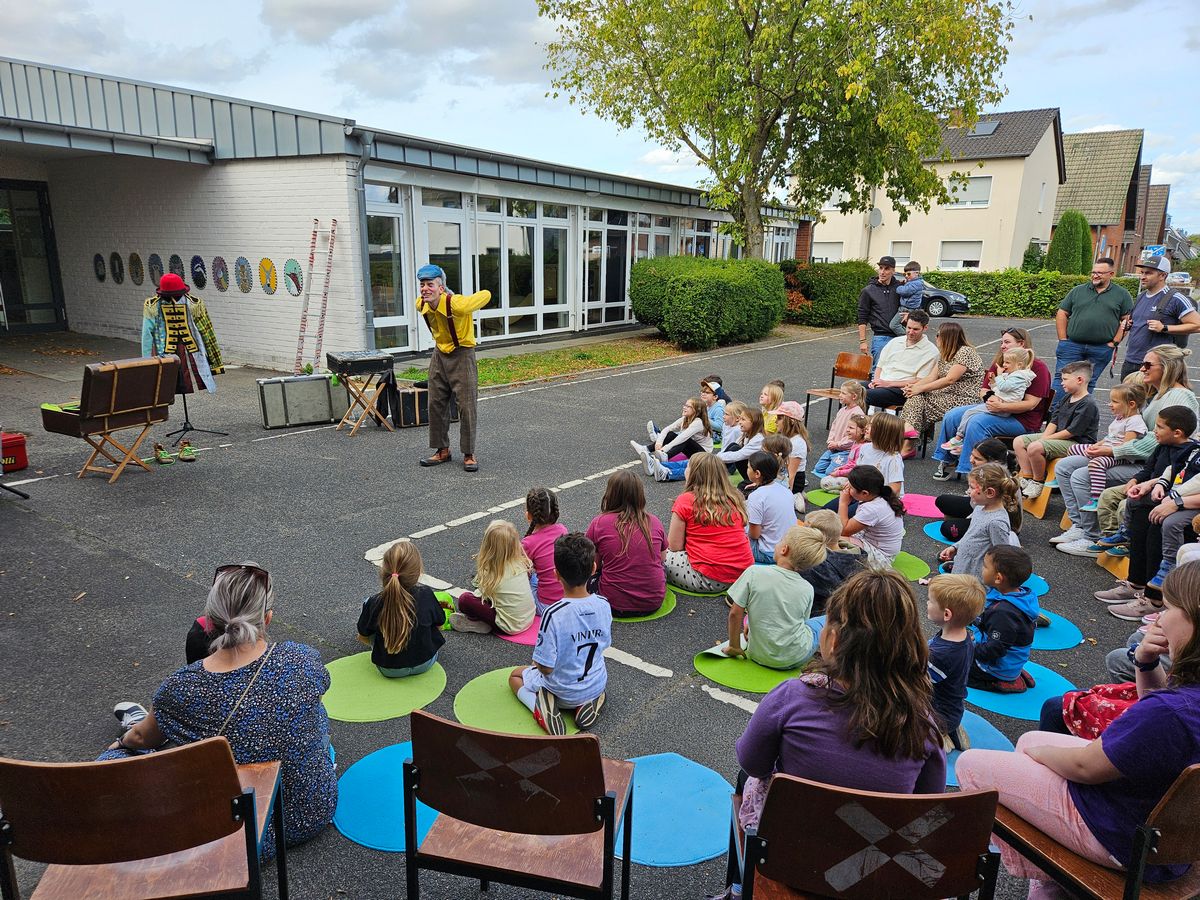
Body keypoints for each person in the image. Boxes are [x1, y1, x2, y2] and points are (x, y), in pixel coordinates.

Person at [957, 562, 1200, 892]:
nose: (1158, 618)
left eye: (1168, 609)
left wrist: (1043, 755)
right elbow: (1154, 715)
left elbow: (1086, 768)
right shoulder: (1182, 703)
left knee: (971, 763)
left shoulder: (1170, 712)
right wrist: (1146, 662)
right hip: (1165, 833)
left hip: (1121, 835)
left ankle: (1050, 878)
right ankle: (1052, 883)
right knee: (1029, 739)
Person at [103, 563, 336, 856]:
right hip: (311, 811)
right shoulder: (302, 659)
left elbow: (140, 739)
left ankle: (156, 724)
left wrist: (122, 744)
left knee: (118, 758)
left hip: (237, 831)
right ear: (267, 618)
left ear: (209, 622)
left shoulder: (181, 688)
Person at [730, 569, 946, 841]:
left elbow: (752, 763)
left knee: (747, 778)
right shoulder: (923, 726)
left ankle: (743, 870)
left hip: (788, 850)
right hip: (874, 860)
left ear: (833, 641)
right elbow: (927, 805)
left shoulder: (791, 697)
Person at [1056, 344, 1198, 557]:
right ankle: (1080, 525)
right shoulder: (1162, 394)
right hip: (1140, 460)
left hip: (1157, 469)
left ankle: (1092, 535)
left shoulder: (1179, 397)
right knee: (1066, 466)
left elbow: (1154, 441)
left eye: (1148, 364)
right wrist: (1106, 446)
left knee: (1081, 476)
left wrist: (1113, 451)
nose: (1142, 369)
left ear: (1167, 367)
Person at [1094, 406, 1200, 622]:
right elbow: (1174, 472)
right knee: (1142, 512)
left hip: (1186, 504)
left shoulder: (1188, 447)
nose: (1154, 430)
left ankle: (1155, 600)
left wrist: (1176, 502)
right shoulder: (1190, 450)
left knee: (1160, 521)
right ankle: (1136, 583)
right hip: (1178, 496)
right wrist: (1152, 484)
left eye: (1159, 427)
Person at [509, 533, 611, 735]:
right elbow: (604, 644)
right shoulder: (603, 605)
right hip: (595, 682)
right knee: (592, 678)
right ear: (593, 568)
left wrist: (536, 665)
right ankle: (590, 700)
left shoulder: (554, 613)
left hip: (560, 691)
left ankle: (539, 707)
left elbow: (546, 668)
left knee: (515, 676)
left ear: (556, 574)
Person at [932, 327, 1052, 481]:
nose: (1002, 346)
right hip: (995, 408)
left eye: (1007, 342)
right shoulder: (1002, 362)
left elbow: (1031, 404)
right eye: (1002, 342)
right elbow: (984, 389)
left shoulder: (1038, 368)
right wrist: (991, 398)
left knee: (977, 422)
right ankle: (949, 460)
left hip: (1022, 419)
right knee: (952, 415)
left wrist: (1001, 406)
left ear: (1021, 343)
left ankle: (974, 473)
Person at [415, 263, 491, 472]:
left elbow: (486, 294)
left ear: (441, 288)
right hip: (439, 353)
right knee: (435, 402)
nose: (425, 289)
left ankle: (469, 453)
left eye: (430, 284)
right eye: (422, 284)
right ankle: (442, 450)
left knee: (466, 406)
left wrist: (466, 303)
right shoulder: (421, 304)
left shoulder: (457, 304)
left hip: (462, 353)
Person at [722, 525, 827, 669]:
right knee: (828, 619)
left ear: (784, 549)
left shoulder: (753, 573)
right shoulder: (807, 588)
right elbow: (801, 623)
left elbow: (735, 613)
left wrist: (734, 646)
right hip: (794, 659)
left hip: (757, 654)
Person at [665, 452, 754, 593]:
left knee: (658, 553)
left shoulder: (686, 500)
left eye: (688, 466)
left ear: (693, 473)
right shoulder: (734, 497)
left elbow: (674, 546)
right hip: (743, 575)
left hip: (709, 577)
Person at [1051, 257, 1133, 405]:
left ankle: (1078, 414)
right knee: (1062, 379)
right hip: (1071, 345)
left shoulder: (1122, 294)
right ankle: (1054, 413)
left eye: (1100, 273)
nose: (1095, 275)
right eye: (1093, 272)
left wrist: (1114, 342)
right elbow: (1062, 313)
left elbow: (1126, 320)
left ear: (1111, 274)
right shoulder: (1078, 291)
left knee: (1088, 382)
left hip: (1101, 349)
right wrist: (1063, 339)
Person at [585, 471, 668, 617]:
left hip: (613, 604)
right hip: (652, 602)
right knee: (662, 568)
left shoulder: (599, 523)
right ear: (640, 495)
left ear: (610, 495)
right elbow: (662, 558)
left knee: (584, 578)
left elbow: (593, 565)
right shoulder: (654, 521)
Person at [1015, 360, 1101, 499]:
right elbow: (1054, 420)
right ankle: (1027, 477)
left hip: (1077, 444)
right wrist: (1044, 437)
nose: (1061, 383)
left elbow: (1071, 432)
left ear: (1079, 380)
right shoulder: (1067, 397)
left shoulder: (1087, 404)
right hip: (1060, 438)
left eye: (1065, 379)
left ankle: (1038, 482)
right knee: (1019, 441)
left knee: (1035, 447)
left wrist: (1044, 440)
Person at [356, 541, 445, 675]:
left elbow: (363, 636)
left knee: (368, 605)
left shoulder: (375, 602)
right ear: (418, 572)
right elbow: (440, 625)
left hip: (388, 669)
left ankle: (390, 646)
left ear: (384, 571)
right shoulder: (426, 594)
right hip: (425, 663)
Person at [1061, 383, 1148, 509]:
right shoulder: (1120, 417)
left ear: (1131, 404)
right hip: (1108, 448)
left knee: (1096, 464)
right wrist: (1096, 446)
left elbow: (1126, 446)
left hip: (1118, 456)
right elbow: (1109, 437)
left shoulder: (1134, 421)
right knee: (1073, 448)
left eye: (1115, 402)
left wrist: (1104, 451)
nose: (1110, 404)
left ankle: (1096, 497)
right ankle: (1065, 478)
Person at [968, 546, 1039, 693]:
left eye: (985, 566)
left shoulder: (1004, 613)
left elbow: (994, 650)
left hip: (993, 666)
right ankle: (1013, 672)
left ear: (998, 578)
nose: (981, 569)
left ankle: (1002, 681)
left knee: (952, 668)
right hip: (1008, 658)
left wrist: (965, 648)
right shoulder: (1019, 594)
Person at [926, 574, 985, 750]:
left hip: (937, 715)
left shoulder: (941, 654)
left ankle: (940, 736)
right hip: (953, 711)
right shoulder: (964, 638)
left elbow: (917, 682)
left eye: (930, 601)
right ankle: (950, 730)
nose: (927, 603)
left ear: (946, 614)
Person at [898, 320, 984, 439]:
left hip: (962, 398)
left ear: (948, 337)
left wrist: (920, 388)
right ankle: (910, 434)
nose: (936, 338)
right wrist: (914, 387)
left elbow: (950, 379)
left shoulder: (965, 352)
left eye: (938, 335)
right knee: (916, 398)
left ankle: (908, 437)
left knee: (918, 403)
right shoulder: (945, 354)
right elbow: (931, 377)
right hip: (945, 395)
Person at [941, 348, 1036, 454]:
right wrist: (993, 383)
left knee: (971, 415)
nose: (1004, 364)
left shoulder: (1019, 377)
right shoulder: (1013, 375)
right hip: (1001, 402)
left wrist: (999, 375)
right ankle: (963, 444)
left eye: (1007, 362)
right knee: (958, 415)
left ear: (1019, 364)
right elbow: (999, 389)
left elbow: (1004, 387)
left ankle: (958, 439)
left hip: (1004, 407)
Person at [938, 462, 1021, 582]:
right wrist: (955, 547)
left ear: (990, 493)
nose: (968, 491)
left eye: (972, 488)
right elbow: (971, 535)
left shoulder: (996, 522)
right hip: (964, 567)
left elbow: (1001, 555)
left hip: (975, 578)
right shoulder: (980, 508)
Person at [1120, 256, 1200, 379]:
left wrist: (1164, 328)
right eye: (1142, 272)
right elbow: (1137, 322)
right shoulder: (1141, 296)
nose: (1142, 277)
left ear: (1162, 275)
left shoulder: (1175, 298)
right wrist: (1127, 325)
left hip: (1157, 365)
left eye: (1148, 273)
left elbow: (1197, 325)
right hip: (1131, 360)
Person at [451, 520, 536, 635]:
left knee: (465, 600)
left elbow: (481, 596)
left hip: (510, 626)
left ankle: (479, 623)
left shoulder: (492, 572)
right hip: (529, 617)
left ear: (488, 546)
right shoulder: (520, 563)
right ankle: (483, 623)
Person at [935, 439, 1015, 541]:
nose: (971, 460)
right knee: (942, 500)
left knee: (948, 528)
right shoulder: (983, 471)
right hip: (980, 507)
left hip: (991, 519)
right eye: (972, 455)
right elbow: (977, 502)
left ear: (993, 462)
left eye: (977, 458)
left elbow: (991, 510)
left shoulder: (999, 479)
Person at [863, 309, 940, 410]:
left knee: (863, 395)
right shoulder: (895, 342)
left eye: (915, 329)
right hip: (882, 383)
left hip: (902, 390)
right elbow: (880, 366)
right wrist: (876, 381)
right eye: (908, 328)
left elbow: (920, 380)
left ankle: (860, 419)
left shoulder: (931, 352)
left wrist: (888, 384)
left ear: (925, 328)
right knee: (851, 389)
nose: (910, 332)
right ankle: (855, 419)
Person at [793, 509, 863, 615]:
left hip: (820, 613)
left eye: (805, 532)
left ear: (817, 537)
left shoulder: (818, 566)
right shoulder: (858, 555)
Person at [837, 465, 905, 566]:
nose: (847, 488)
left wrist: (843, 503)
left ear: (865, 493)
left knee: (833, 540)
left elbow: (844, 530)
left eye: (850, 487)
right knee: (829, 532)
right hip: (869, 540)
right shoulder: (878, 495)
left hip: (881, 557)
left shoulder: (873, 509)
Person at [745, 451, 798, 564]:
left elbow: (754, 535)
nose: (747, 469)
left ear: (757, 474)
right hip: (789, 547)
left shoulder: (756, 497)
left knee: (735, 529)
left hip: (769, 553)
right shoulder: (785, 490)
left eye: (748, 467)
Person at [522, 487, 569, 616]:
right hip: (566, 600)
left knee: (527, 578)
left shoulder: (528, 543)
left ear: (528, 515)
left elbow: (521, 575)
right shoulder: (563, 530)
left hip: (546, 606)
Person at [638, 396, 714, 467]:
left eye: (688, 406)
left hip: (704, 455)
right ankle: (646, 449)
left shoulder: (698, 422)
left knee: (684, 440)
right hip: (693, 450)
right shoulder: (685, 418)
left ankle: (665, 457)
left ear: (696, 411)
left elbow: (682, 437)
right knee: (670, 434)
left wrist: (665, 448)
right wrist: (659, 442)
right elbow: (667, 429)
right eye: (685, 405)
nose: (684, 407)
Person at [857, 255, 904, 370]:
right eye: (881, 268)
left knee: (899, 371)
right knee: (878, 371)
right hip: (880, 337)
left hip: (900, 336)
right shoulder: (868, 291)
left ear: (893, 271)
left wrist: (909, 314)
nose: (882, 272)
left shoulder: (900, 288)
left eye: (887, 269)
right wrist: (863, 341)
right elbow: (862, 317)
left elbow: (913, 304)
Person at [811, 381, 866, 477]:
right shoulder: (842, 410)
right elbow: (834, 427)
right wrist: (830, 441)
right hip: (834, 448)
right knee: (818, 468)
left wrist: (838, 444)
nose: (840, 395)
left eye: (843, 393)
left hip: (845, 450)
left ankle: (846, 469)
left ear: (854, 396)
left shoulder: (857, 413)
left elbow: (853, 437)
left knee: (829, 472)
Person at [817, 414, 868, 491]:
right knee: (829, 475)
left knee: (825, 483)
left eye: (851, 428)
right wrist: (842, 468)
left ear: (863, 431)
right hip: (852, 473)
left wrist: (840, 473)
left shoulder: (862, 448)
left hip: (856, 476)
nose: (847, 430)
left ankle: (851, 490)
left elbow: (856, 468)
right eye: (848, 427)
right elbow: (851, 463)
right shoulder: (855, 442)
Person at [716, 405, 766, 481]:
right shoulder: (746, 435)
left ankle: (713, 473)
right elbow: (732, 447)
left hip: (759, 476)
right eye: (740, 419)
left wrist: (716, 457)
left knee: (735, 448)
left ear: (754, 422)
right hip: (748, 468)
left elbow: (738, 455)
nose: (739, 422)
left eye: (743, 419)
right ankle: (713, 472)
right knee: (734, 445)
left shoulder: (758, 439)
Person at [770, 401, 809, 493]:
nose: (775, 421)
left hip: (792, 482)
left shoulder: (797, 443)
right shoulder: (785, 437)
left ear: (791, 421)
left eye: (779, 418)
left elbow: (791, 475)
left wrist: (787, 496)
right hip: (780, 476)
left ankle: (797, 497)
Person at [888, 261, 928, 335]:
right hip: (906, 308)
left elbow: (905, 291)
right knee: (907, 326)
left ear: (917, 273)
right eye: (905, 274)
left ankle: (907, 336)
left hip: (907, 309)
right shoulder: (913, 282)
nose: (906, 276)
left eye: (908, 274)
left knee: (894, 325)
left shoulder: (917, 283)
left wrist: (897, 287)